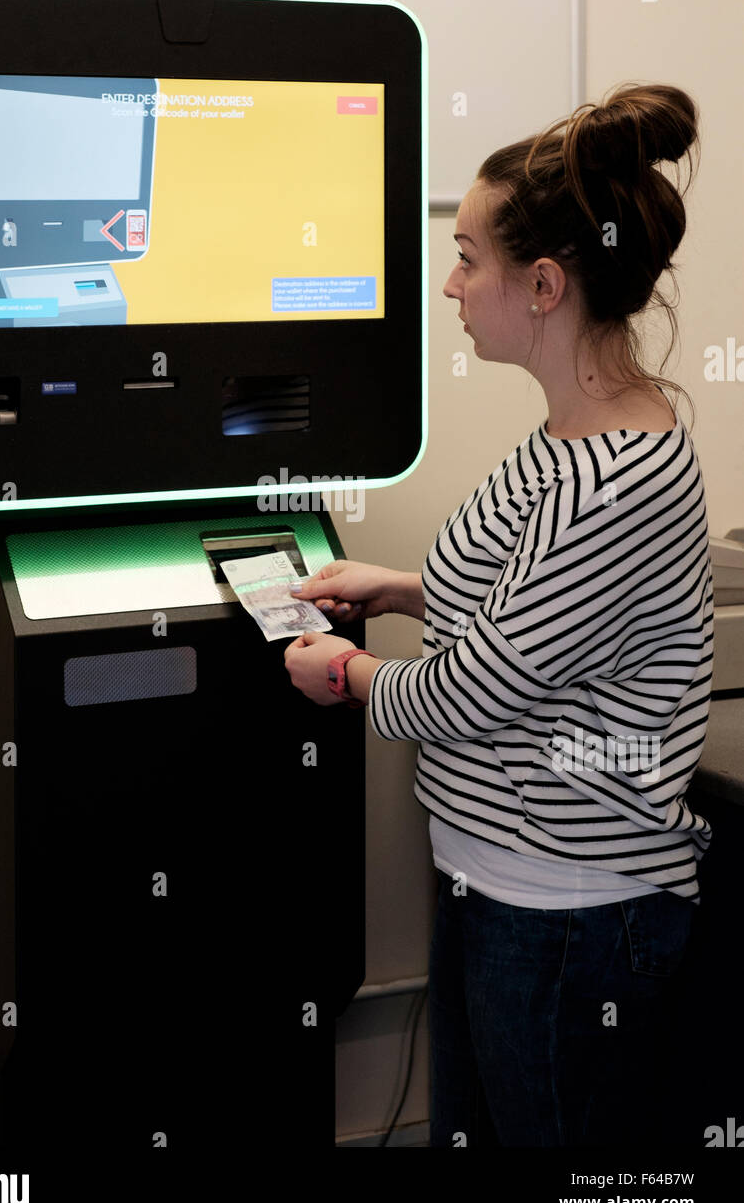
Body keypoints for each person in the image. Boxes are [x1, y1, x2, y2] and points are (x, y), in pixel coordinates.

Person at [283, 83, 713, 1148]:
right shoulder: (571, 433)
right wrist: (397, 589)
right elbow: (532, 607)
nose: (449, 284)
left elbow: (473, 688)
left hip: (568, 916)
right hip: (500, 885)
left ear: (543, 284)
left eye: (468, 258)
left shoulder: (615, 476)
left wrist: (344, 676)